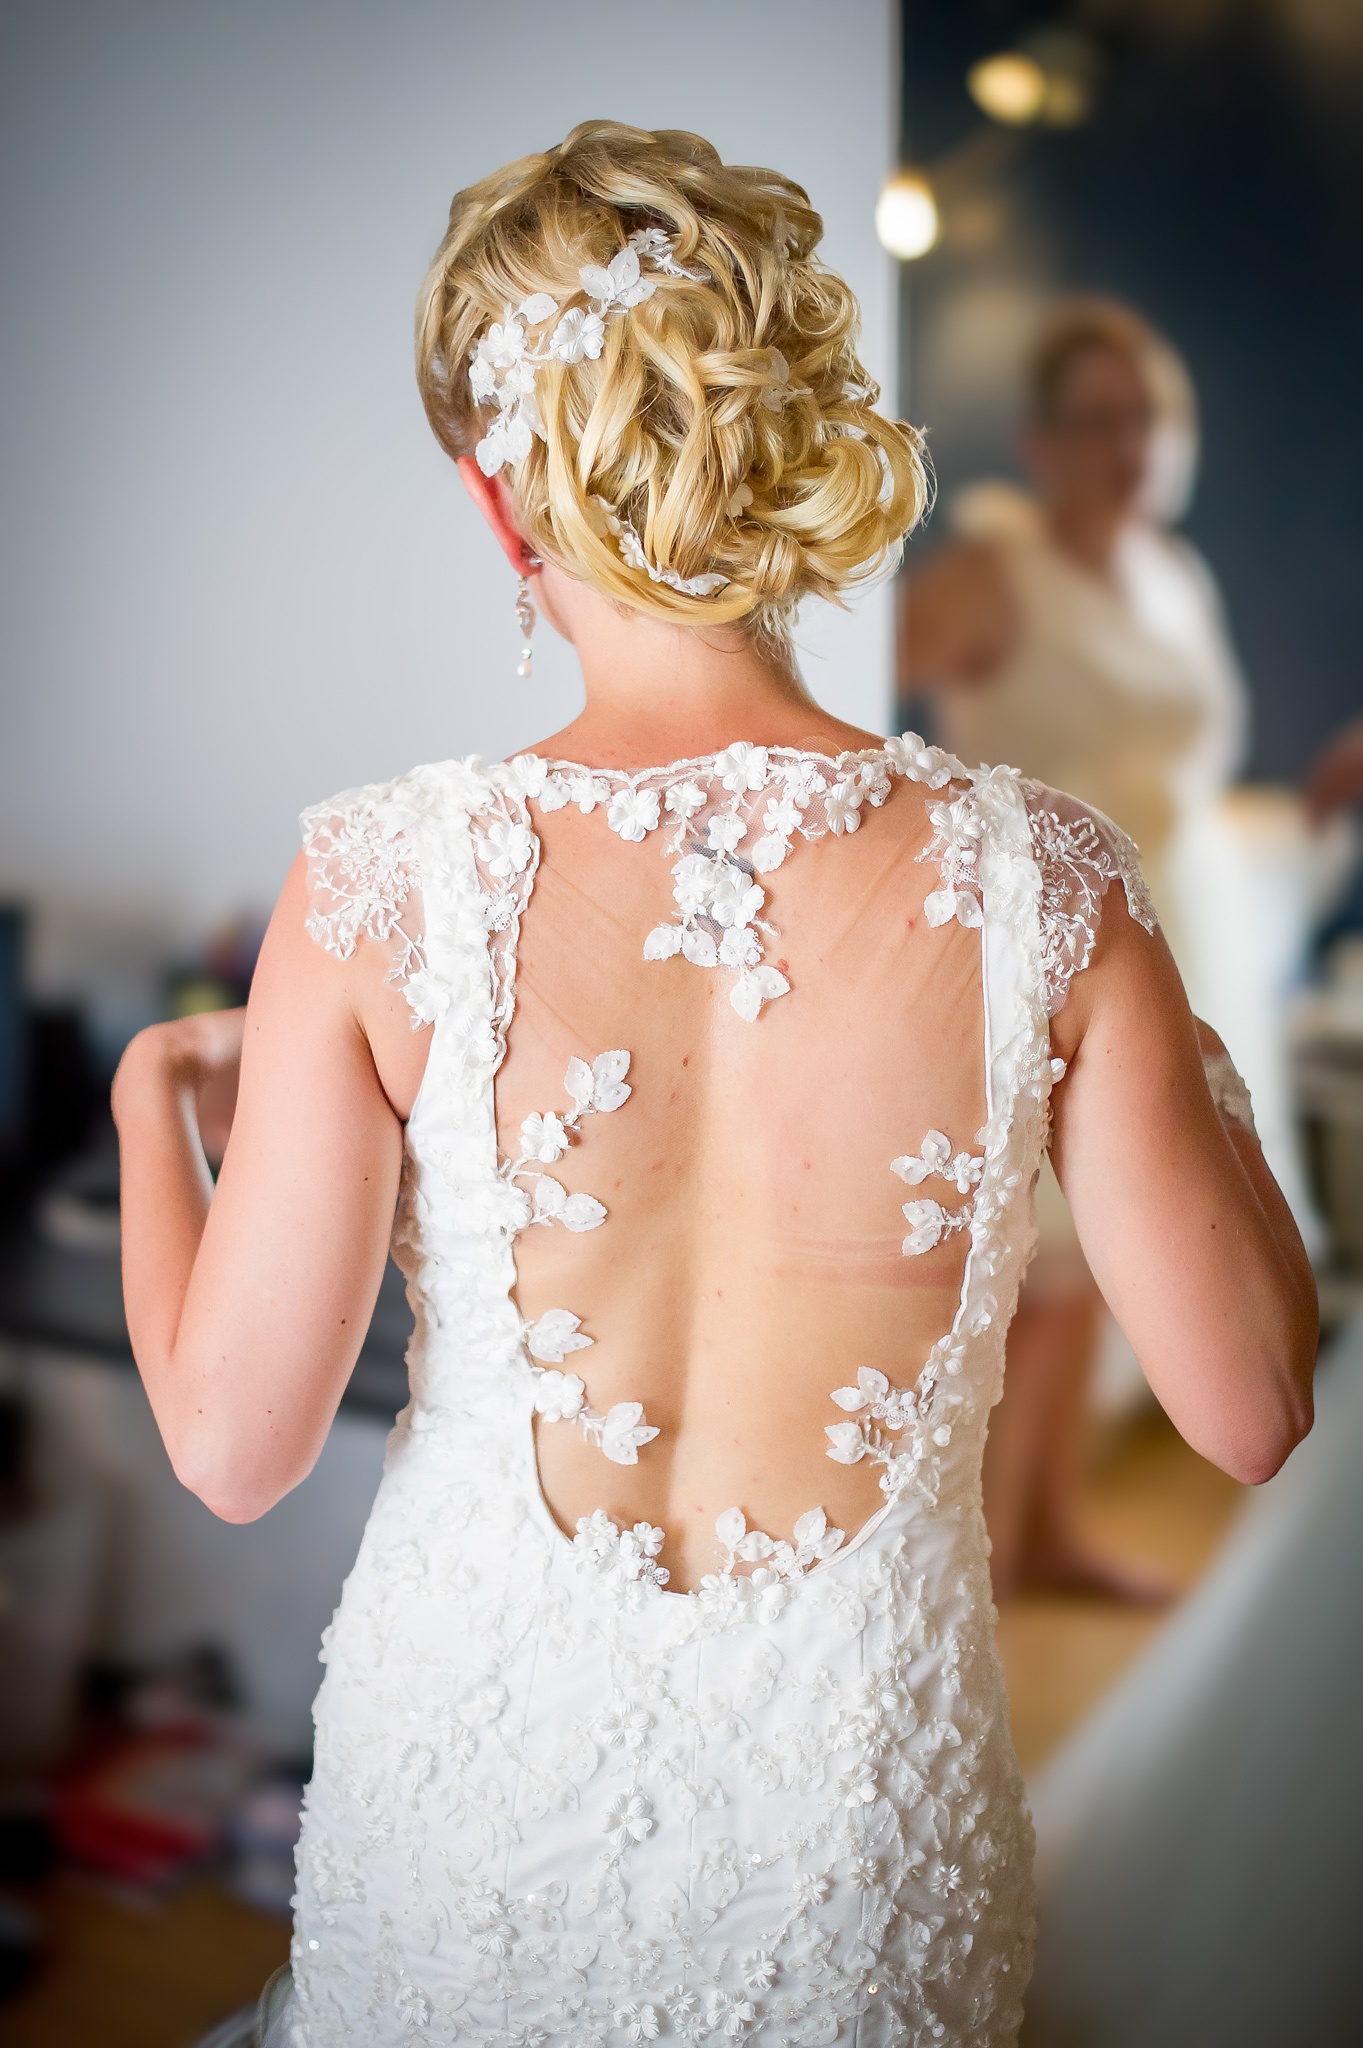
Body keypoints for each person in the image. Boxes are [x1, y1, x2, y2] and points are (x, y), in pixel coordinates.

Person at [111, 124, 1315, 2048]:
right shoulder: (1044, 879)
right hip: (851, 1858)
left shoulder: (378, 884)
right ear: (786, 448)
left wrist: (145, 1104)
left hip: (467, 1813)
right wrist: (1164, 1019)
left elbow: (232, 1450)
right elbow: (1253, 1412)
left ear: (502, 507)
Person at [898, 301, 1251, 1603]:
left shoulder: (1179, 576)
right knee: (1033, 1269)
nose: (1128, 444)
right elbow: (848, 709)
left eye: (1146, 415)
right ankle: (978, 1564)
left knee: (1102, 1257)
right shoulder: (994, 577)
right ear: (1043, 443)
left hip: (1183, 929)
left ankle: (1047, 1531)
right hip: (1036, 947)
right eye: (1097, 418)